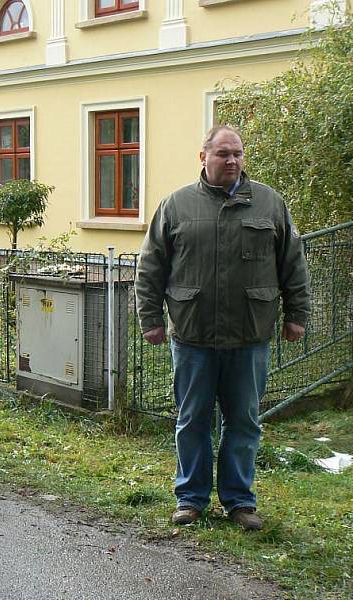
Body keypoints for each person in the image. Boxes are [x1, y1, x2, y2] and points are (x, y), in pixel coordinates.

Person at [134, 125, 311, 530]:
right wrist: (150, 319)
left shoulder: (269, 204)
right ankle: (191, 499)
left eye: (238, 154)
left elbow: (293, 265)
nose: (232, 161)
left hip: (250, 336)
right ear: (204, 157)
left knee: (244, 421)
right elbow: (150, 268)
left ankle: (239, 502)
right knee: (192, 419)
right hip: (193, 336)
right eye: (223, 154)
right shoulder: (176, 206)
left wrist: (297, 315)